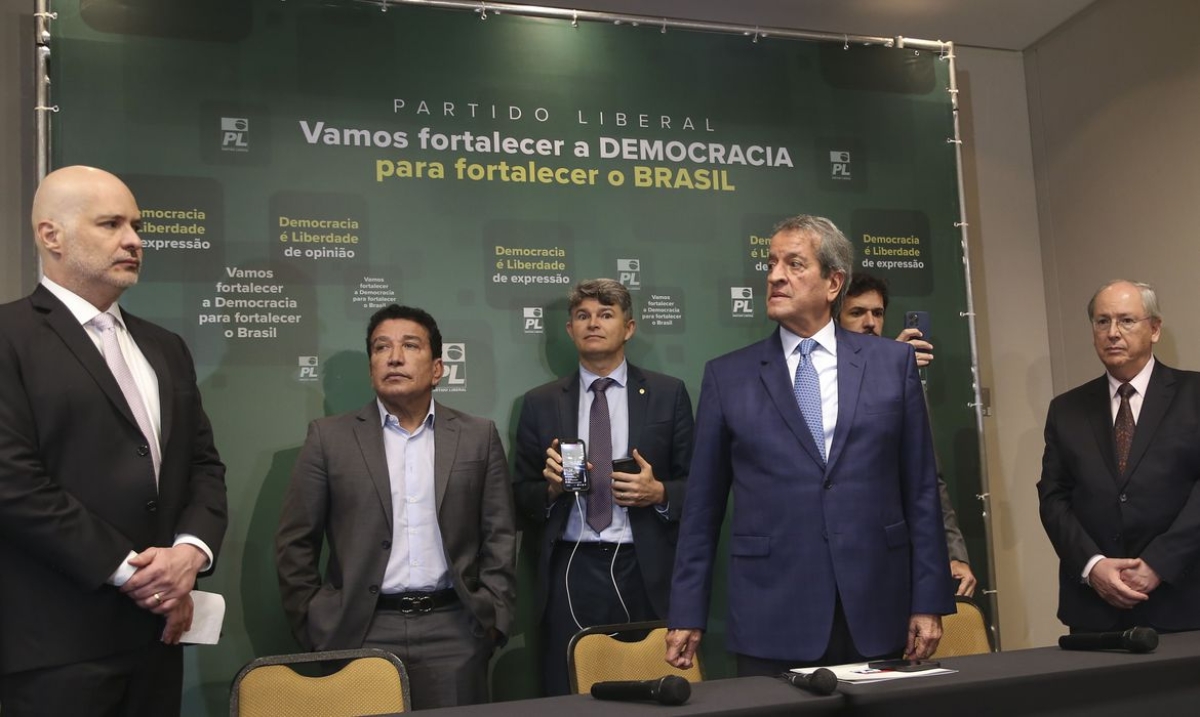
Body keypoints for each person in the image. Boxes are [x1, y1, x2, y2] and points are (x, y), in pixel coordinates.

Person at [666, 215, 952, 676]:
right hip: (771, 612)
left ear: (833, 282)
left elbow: (921, 491)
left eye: (794, 264)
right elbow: (701, 508)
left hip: (878, 606)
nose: (776, 275)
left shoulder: (891, 364)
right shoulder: (728, 377)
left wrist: (929, 601)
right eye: (772, 263)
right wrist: (686, 611)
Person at [0, 166, 228, 716]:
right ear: (51, 235)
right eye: (111, 224)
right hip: (55, 651)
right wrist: (134, 572)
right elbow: (13, 483)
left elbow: (202, 467)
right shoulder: (9, 337)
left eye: (136, 225)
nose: (134, 240)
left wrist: (189, 555)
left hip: (159, 639)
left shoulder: (166, 347)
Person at [275, 304, 516, 709]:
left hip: (454, 631)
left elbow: (500, 533)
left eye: (409, 345)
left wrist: (491, 617)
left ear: (438, 368)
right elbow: (295, 541)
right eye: (380, 347)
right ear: (371, 367)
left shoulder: (478, 436)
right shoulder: (328, 438)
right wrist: (316, 621)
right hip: (360, 629)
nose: (394, 357)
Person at [514, 279, 693, 695]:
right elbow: (518, 493)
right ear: (570, 330)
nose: (593, 323)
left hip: (643, 566)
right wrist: (551, 489)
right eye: (582, 316)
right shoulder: (540, 401)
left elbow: (699, 487)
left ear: (628, 328)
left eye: (605, 314)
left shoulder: (668, 394)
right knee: (569, 690)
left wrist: (660, 493)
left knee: (650, 687)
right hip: (569, 569)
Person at [1039, 280, 1200, 633]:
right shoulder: (1066, 409)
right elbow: (1053, 498)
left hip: (1183, 603)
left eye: (1126, 321)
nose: (1113, 333)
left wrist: (1159, 563)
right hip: (1095, 612)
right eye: (1102, 322)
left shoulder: (1193, 395)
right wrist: (1092, 565)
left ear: (1154, 329)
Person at [839, 273, 978, 597]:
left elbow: (930, 477)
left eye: (877, 313)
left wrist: (954, 552)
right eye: (857, 313)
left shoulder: (905, 381)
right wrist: (881, 372)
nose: (870, 323)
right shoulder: (814, 378)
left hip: (895, 556)